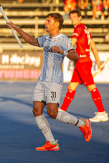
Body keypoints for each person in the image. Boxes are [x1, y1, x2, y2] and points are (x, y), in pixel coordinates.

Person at [7, 13, 92, 151]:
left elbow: (75, 56)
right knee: (36, 110)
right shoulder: (46, 39)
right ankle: (51, 142)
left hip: (54, 81)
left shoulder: (63, 39)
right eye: (46, 20)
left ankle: (82, 123)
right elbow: (33, 41)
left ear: (56, 23)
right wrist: (17, 29)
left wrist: (62, 52)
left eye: (48, 21)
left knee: (53, 113)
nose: (45, 23)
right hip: (42, 80)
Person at [60, 10, 108, 122]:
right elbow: (93, 46)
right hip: (81, 62)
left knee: (91, 87)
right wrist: (98, 62)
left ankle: (102, 113)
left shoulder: (78, 28)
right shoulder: (85, 29)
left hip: (83, 62)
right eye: (71, 17)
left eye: (75, 17)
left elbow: (71, 43)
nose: (72, 19)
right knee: (71, 87)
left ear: (80, 17)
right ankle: (62, 111)